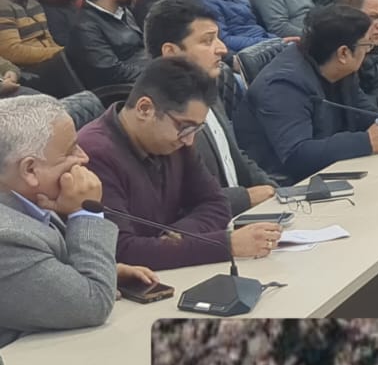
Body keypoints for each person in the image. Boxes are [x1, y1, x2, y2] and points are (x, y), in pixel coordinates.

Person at [76, 59, 281, 270]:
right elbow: (121, 251)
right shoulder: (93, 154)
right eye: (185, 128)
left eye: (196, 129)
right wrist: (225, 245)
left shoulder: (176, 141)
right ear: (145, 109)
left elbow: (216, 203)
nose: (189, 140)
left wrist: (173, 237)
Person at [0, 95, 129, 348]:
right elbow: (93, 304)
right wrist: (85, 213)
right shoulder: (6, 238)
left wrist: (105, 271)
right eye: (71, 150)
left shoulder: (30, 200)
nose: (84, 157)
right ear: (30, 170)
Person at [237, 5, 378, 183]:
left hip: (332, 171)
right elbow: (297, 155)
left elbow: (363, 112)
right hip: (287, 185)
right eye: (366, 45)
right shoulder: (283, 85)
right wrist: (364, 142)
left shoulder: (340, 70)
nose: (368, 51)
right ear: (343, 53)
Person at [144, 0, 277, 218]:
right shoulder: (156, 115)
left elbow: (234, 156)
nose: (222, 49)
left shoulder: (207, 86)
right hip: (211, 229)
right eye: (207, 41)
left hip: (247, 216)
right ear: (171, 52)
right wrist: (244, 198)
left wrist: (278, 192)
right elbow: (175, 203)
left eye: (218, 38)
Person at [0, 0, 83, 98]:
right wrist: (61, 53)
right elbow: (12, 51)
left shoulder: (34, 4)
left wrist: (62, 53)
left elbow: (49, 40)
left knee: (84, 57)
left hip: (52, 62)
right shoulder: (2, 7)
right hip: (27, 71)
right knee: (70, 62)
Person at [68, 0, 149, 91]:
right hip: (121, 87)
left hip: (142, 68)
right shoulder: (85, 27)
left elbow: (141, 46)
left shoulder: (123, 9)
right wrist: (154, 72)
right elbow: (112, 71)